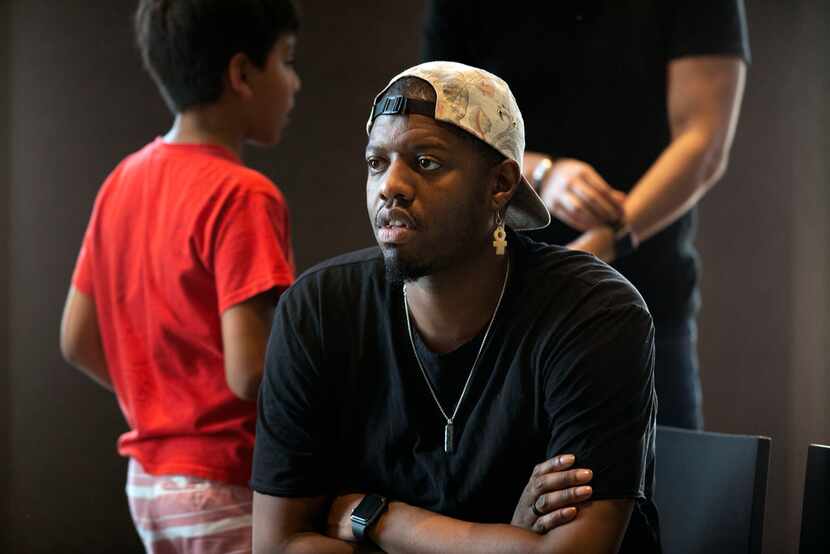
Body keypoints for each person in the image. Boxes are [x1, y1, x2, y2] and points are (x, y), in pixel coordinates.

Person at [251, 61, 659, 553]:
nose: (390, 186)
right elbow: (277, 546)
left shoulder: (592, 313)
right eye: (377, 162)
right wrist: (502, 542)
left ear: (500, 185)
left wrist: (382, 521)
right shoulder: (317, 310)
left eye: (426, 162)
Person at [423, 0, 750, 430]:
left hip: (640, 299)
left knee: (658, 489)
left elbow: (703, 142)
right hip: (493, 304)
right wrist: (541, 172)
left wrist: (609, 239)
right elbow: (441, 128)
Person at [59, 0, 301, 551]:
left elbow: (76, 340)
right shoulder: (244, 195)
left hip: (148, 484)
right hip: (224, 483)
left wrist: (161, 403)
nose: (296, 83)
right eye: (286, 60)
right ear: (242, 74)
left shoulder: (121, 180)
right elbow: (251, 374)